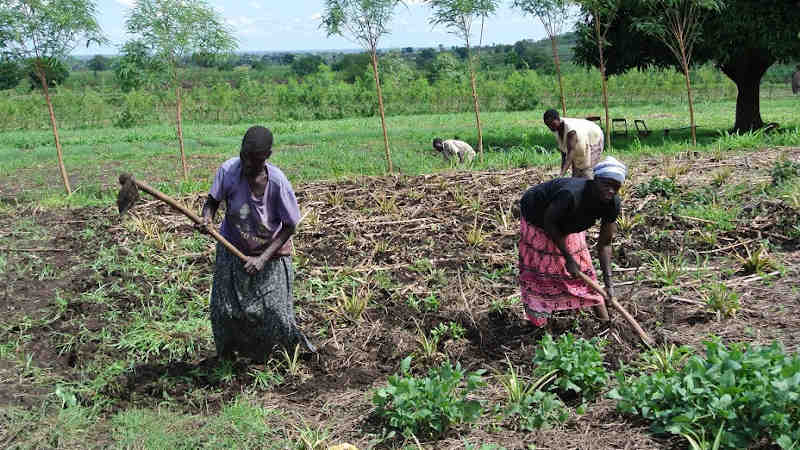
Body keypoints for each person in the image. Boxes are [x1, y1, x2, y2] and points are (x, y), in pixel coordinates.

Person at [199, 125, 314, 360]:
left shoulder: (278, 183)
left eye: (254, 159)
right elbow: (212, 201)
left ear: (267, 157)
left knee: (275, 313)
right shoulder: (229, 171)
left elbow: (290, 226)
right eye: (244, 156)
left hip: (271, 253)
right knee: (224, 311)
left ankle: (282, 356)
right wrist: (207, 219)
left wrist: (262, 259)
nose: (247, 164)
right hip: (232, 246)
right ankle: (231, 357)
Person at [518, 156, 627, 327]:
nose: (611, 191)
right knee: (541, 273)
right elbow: (550, 222)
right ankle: (537, 326)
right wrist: (568, 258)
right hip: (539, 218)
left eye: (616, 187)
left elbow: (605, 244)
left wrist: (609, 285)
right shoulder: (571, 194)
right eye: (606, 184)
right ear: (595, 180)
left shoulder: (612, 203)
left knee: (584, 269)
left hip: (569, 224)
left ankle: (606, 324)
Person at [543, 109, 604, 179]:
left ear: (558, 119)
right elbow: (564, 152)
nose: (550, 127)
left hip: (594, 137)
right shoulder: (556, 128)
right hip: (581, 139)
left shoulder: (571, 130)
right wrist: (562, 173)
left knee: (587, 170)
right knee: (576, 174)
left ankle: (592, 185)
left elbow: (570, 153)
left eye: (552, 123)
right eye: (548, 125)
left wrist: (562, 174)